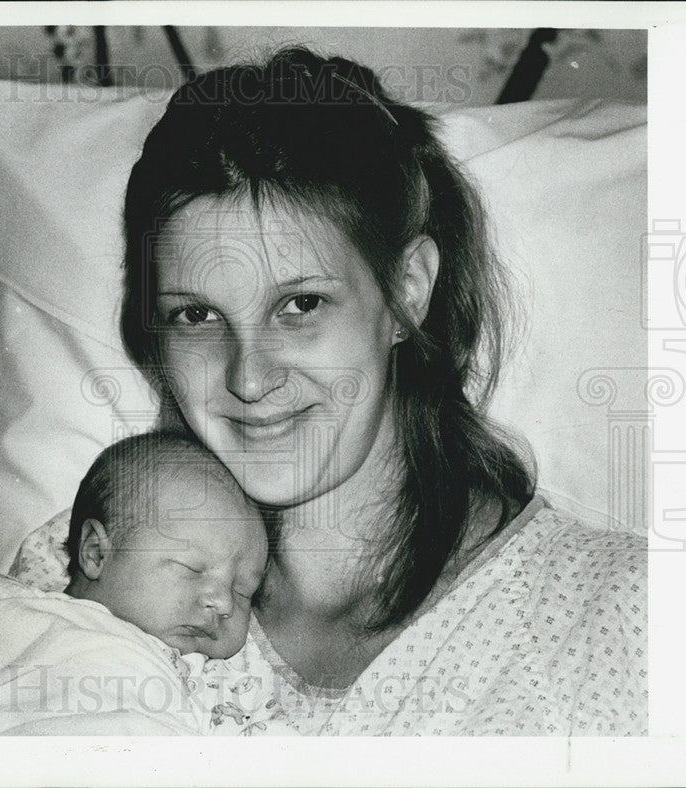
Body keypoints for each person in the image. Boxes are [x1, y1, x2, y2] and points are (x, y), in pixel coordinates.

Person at [107, 46, 646, 735]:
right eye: (197, 316)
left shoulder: (627, 617)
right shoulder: (97, 583)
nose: (248, 376)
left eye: (300, 304)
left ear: (406, 291)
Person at [0, 432, 289, 736]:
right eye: (191, 568)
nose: (224, 602)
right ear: (97, 553)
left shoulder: (214, 680)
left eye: (245, 591)